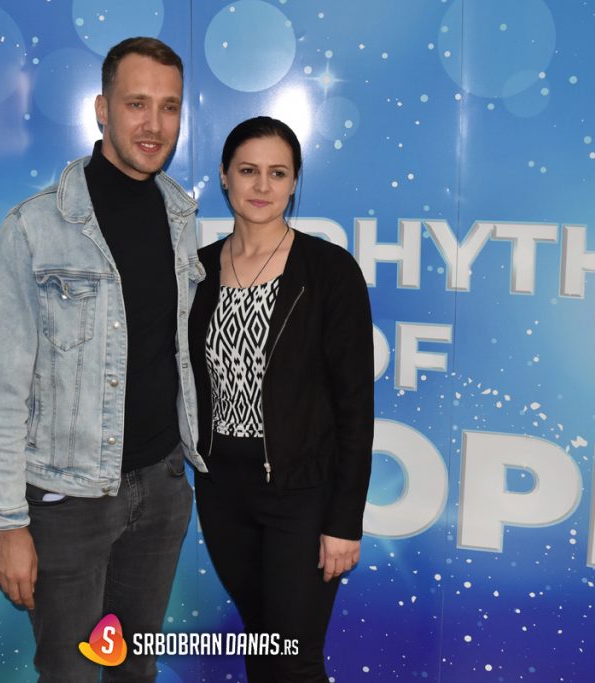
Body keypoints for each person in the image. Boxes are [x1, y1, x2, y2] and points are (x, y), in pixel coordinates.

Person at [0, 36, 207, 682]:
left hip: (161, 488)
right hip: (68, 501)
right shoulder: (35, 227)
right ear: (102, 109)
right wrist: (8, 524)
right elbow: (4, 388)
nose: (154, 123)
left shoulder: (180, 216)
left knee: (134, 671)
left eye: (169, 106)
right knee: (71, 674)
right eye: (137, 103)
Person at [188, 116, 374, 682]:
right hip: (222, 493)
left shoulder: (328, 270)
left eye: (278, 173)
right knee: (264, 646)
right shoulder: (197, 272)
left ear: (294, 182)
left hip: (302, 493)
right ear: (225, 176)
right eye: (249, 171)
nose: (262, 186)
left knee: (294, 659)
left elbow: (355, 407)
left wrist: (344, 521)